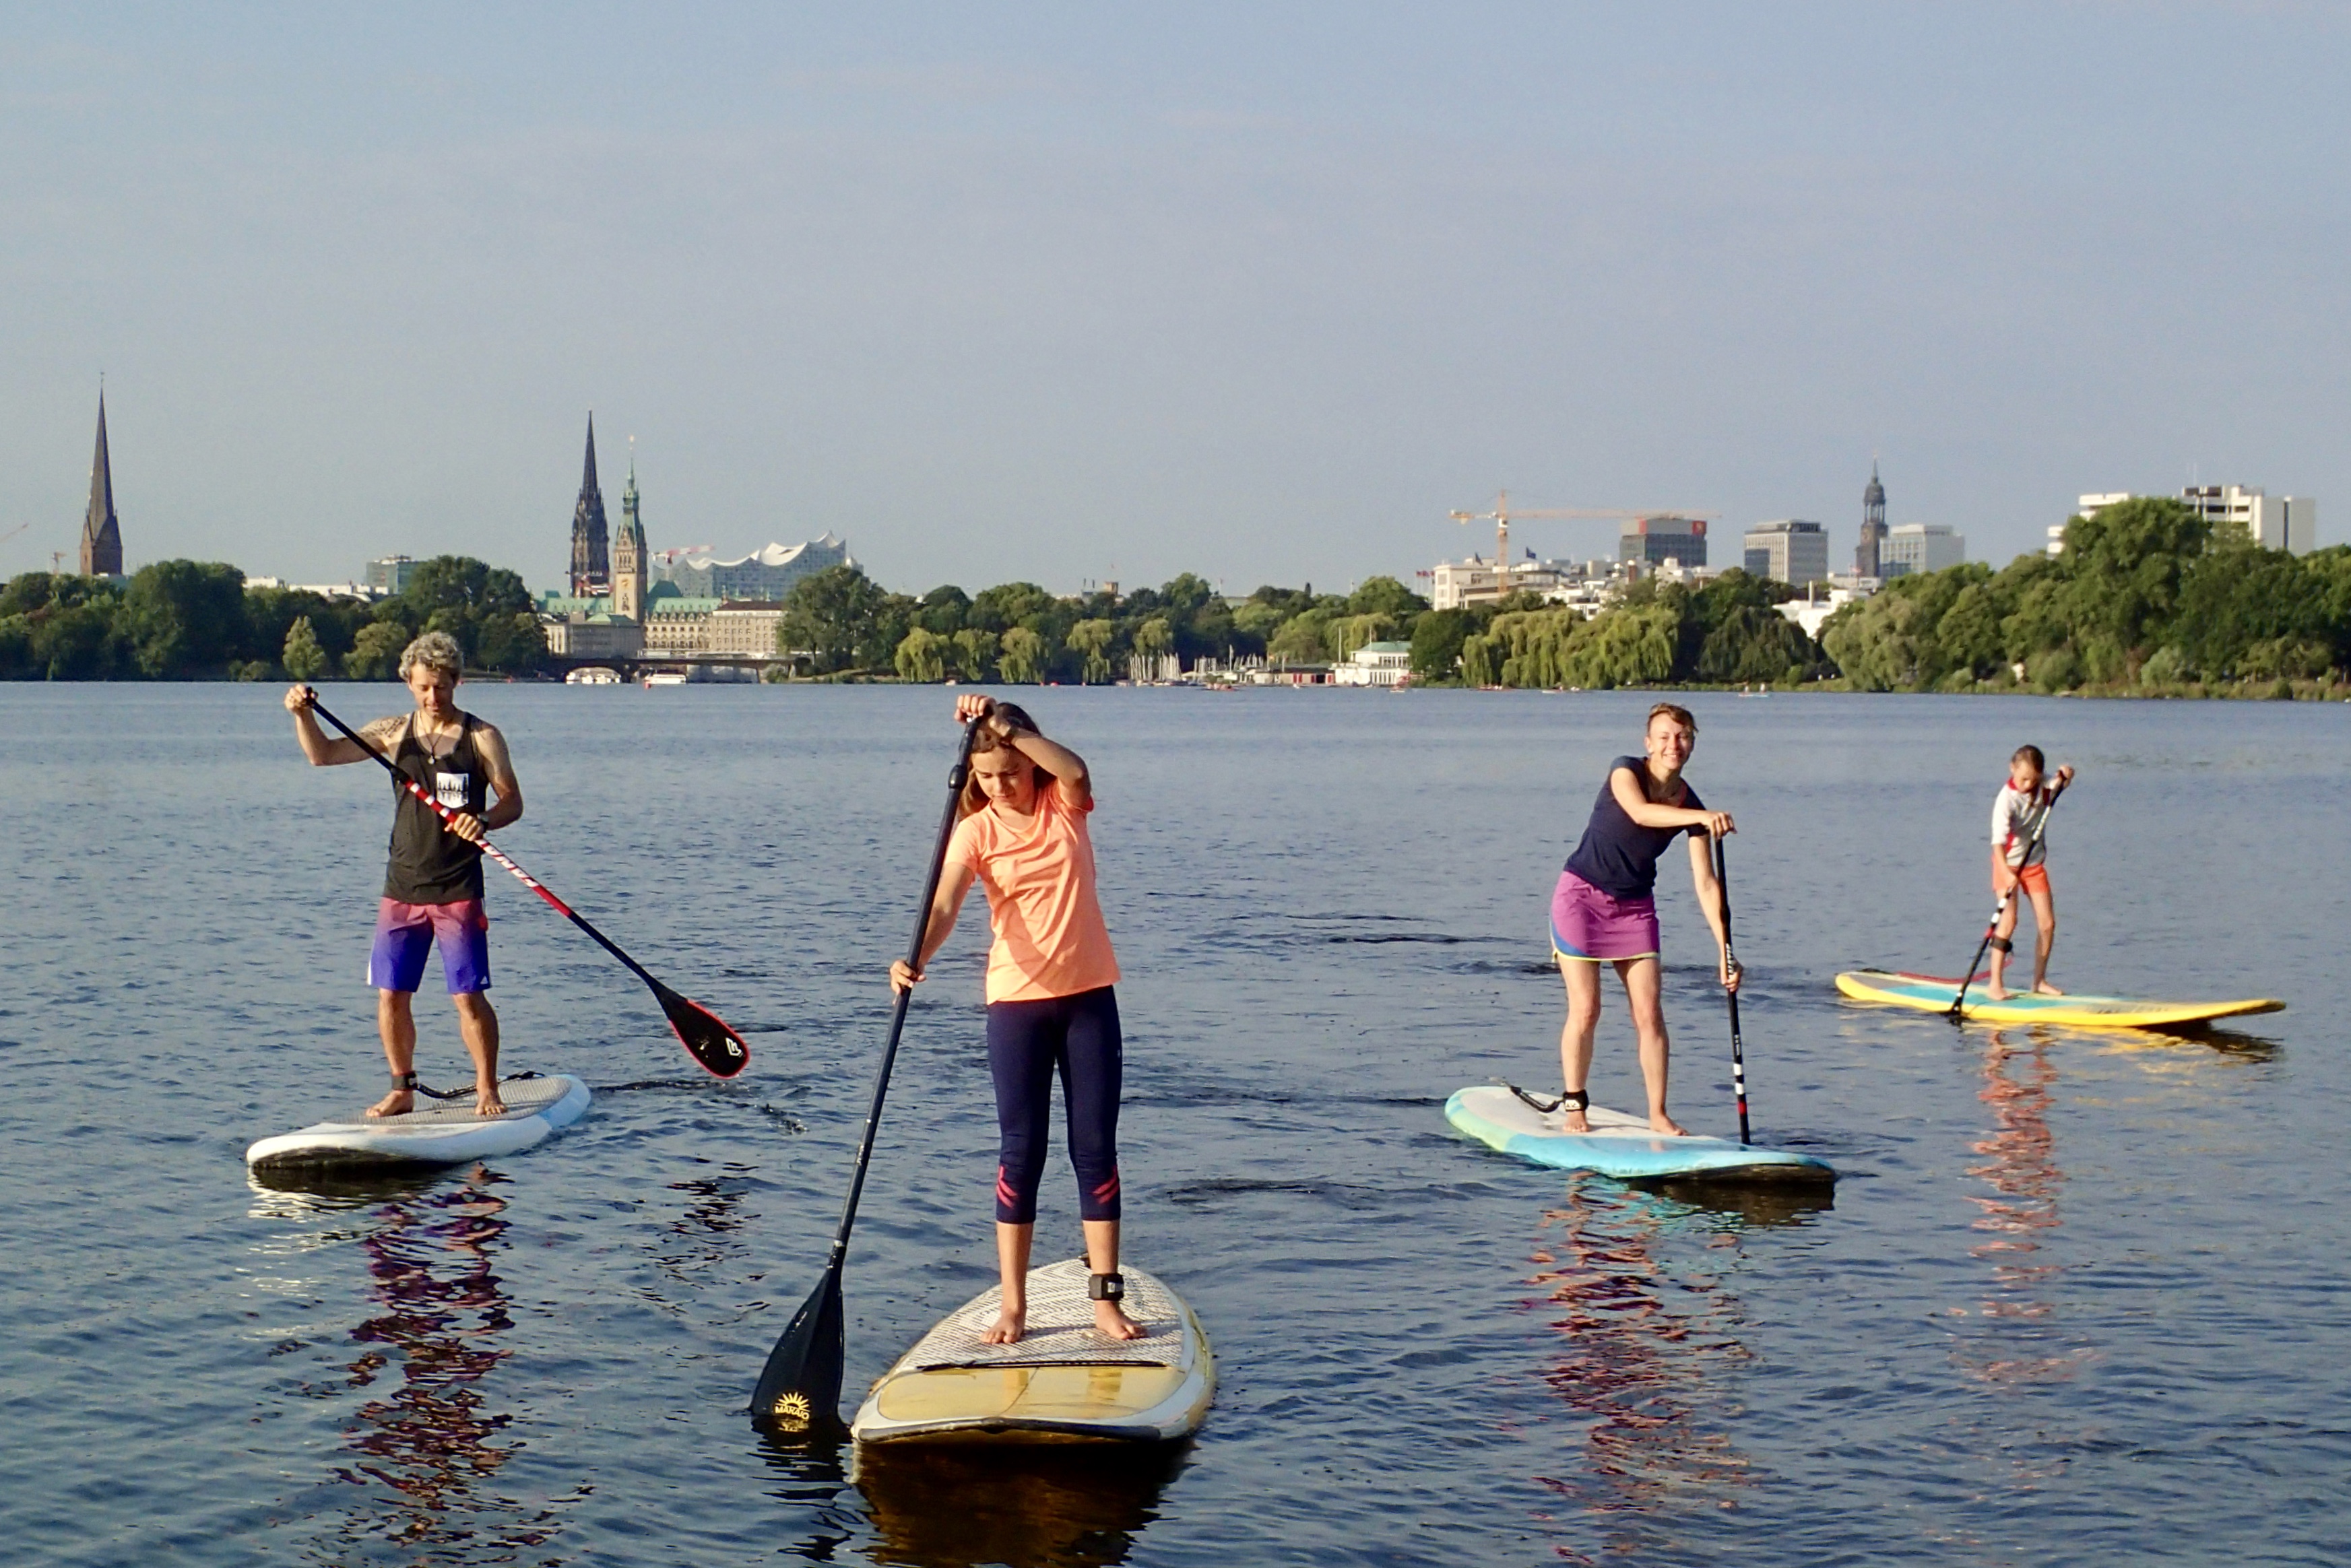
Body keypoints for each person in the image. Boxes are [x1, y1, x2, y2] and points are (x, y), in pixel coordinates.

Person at [891, 694, 1145, 1345]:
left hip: (1089, 999)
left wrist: (1008, 729)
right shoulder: (975, 831)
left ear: (1029, 762)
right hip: (1016, 1005)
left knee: (1094, 1151)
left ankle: (1105, 1301)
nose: (999, 786)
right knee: (1020, 1154)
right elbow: (945, 903)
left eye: (1009, 771)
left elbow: (1078, 770)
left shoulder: (1065, 803)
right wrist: (915, 956)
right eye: (986, 777)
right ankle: (1013, 1307)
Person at [284, 630, 523, 1118]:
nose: (433, 697)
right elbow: (322, 755)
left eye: (442, 686)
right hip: (402, 886)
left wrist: (485, 820)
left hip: (457, 887)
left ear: (456, 682)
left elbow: (512, 802)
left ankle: (487, 1088)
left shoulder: (481, 737)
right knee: (392, 994)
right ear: (409, 684)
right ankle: (402, 1088)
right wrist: (302, 715)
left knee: (468, 998)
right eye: (423, 688)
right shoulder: (394, 733)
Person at [1548, 703, 1739, 1137]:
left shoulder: (1692, 803)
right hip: (1580, 896)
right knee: (1587, 1008)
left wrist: (1725, 950)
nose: (1675, 744)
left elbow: (1706, 885)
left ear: (1692, 743)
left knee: (1650, 1014)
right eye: (1666, 736)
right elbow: (1640, 813)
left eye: (1684, 736)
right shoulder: (1625, 771)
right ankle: (1575, 1104)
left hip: (1634, 905)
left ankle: (1658, 1113)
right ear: (1649, 743)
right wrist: (1699, 818)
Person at [1985, 745, 2074, 1001]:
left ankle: (2039, 981)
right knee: (2009, 921)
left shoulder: (2041, 784)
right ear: (2012, 768)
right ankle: (1995, 985)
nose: (2026, 785)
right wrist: (2006, 872)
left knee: (2048, 924)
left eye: (2032, 780)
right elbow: (1997, 843)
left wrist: (2067, 775)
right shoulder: (2006, 800)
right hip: (2008, 863)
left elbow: (2060, 783)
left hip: (2033, 865)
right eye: (2022, 778)